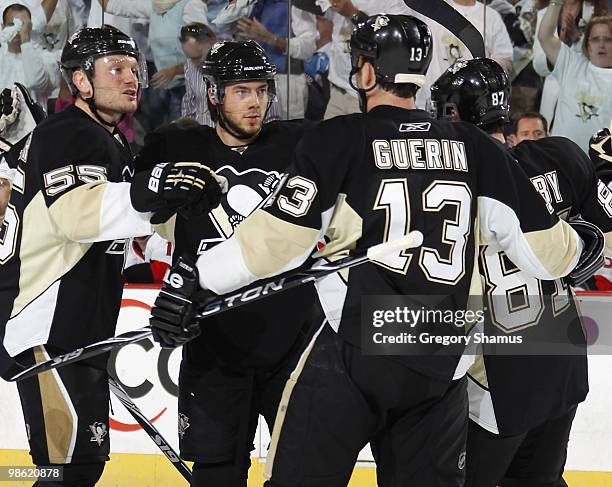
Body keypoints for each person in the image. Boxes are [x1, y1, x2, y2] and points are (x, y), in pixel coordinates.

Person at [150, 15, 585, 487]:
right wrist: (586, 241)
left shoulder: (341, 137)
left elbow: (273, 245)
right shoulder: (477, 148)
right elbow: (552, 256)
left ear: (369, 73)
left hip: (359, 351)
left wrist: (194, 280)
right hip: (442, 355)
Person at [0, 27, 222, 486]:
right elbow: (79, 215)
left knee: (78, 466)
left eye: (134, 68)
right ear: (81, 81)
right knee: (61, 471)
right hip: (45, 328)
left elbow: (125, 229)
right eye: (115, 68)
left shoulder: (110, 141)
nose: (132, 78)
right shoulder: (68, 133)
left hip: (77, 330)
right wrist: (153, 190)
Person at [138, 39, 317, 487]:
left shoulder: (300, 143)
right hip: (214, 341)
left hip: (292, 342)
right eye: (242, 91)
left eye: (261, 90)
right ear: (214, 94)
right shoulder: (173, 145)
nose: (256, 102)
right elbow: (134, 219)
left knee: (303, 472)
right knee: (217, 475)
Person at [430, 57, 612, 487]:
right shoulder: (559, 154)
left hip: (498, 378)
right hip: (561, 361)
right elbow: (600, 238)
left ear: (452, 114)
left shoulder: (453, 184)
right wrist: (606, 173)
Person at [538, 1, 612, 152]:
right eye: (595, 39)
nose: (601, 45)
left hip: (599, 167)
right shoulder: (571, 63)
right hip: (561, 158)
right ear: (587, 44)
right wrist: (556, 3)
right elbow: (545, 36)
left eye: (608, 39)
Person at [0, 2, 60, 107]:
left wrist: (25, 41)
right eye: (12, 25)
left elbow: (36, 82)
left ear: (30, 26)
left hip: (35, 123)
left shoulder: (45, 59)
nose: (17, 30)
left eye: (22, 25)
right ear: (3, 27)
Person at [180, 22, 216, 125]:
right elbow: (189, 103)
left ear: (212, 42)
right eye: (190, 57)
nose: (194, 63)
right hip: (201, 131)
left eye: (198, 57)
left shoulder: (231, 64)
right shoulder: (189, 65)